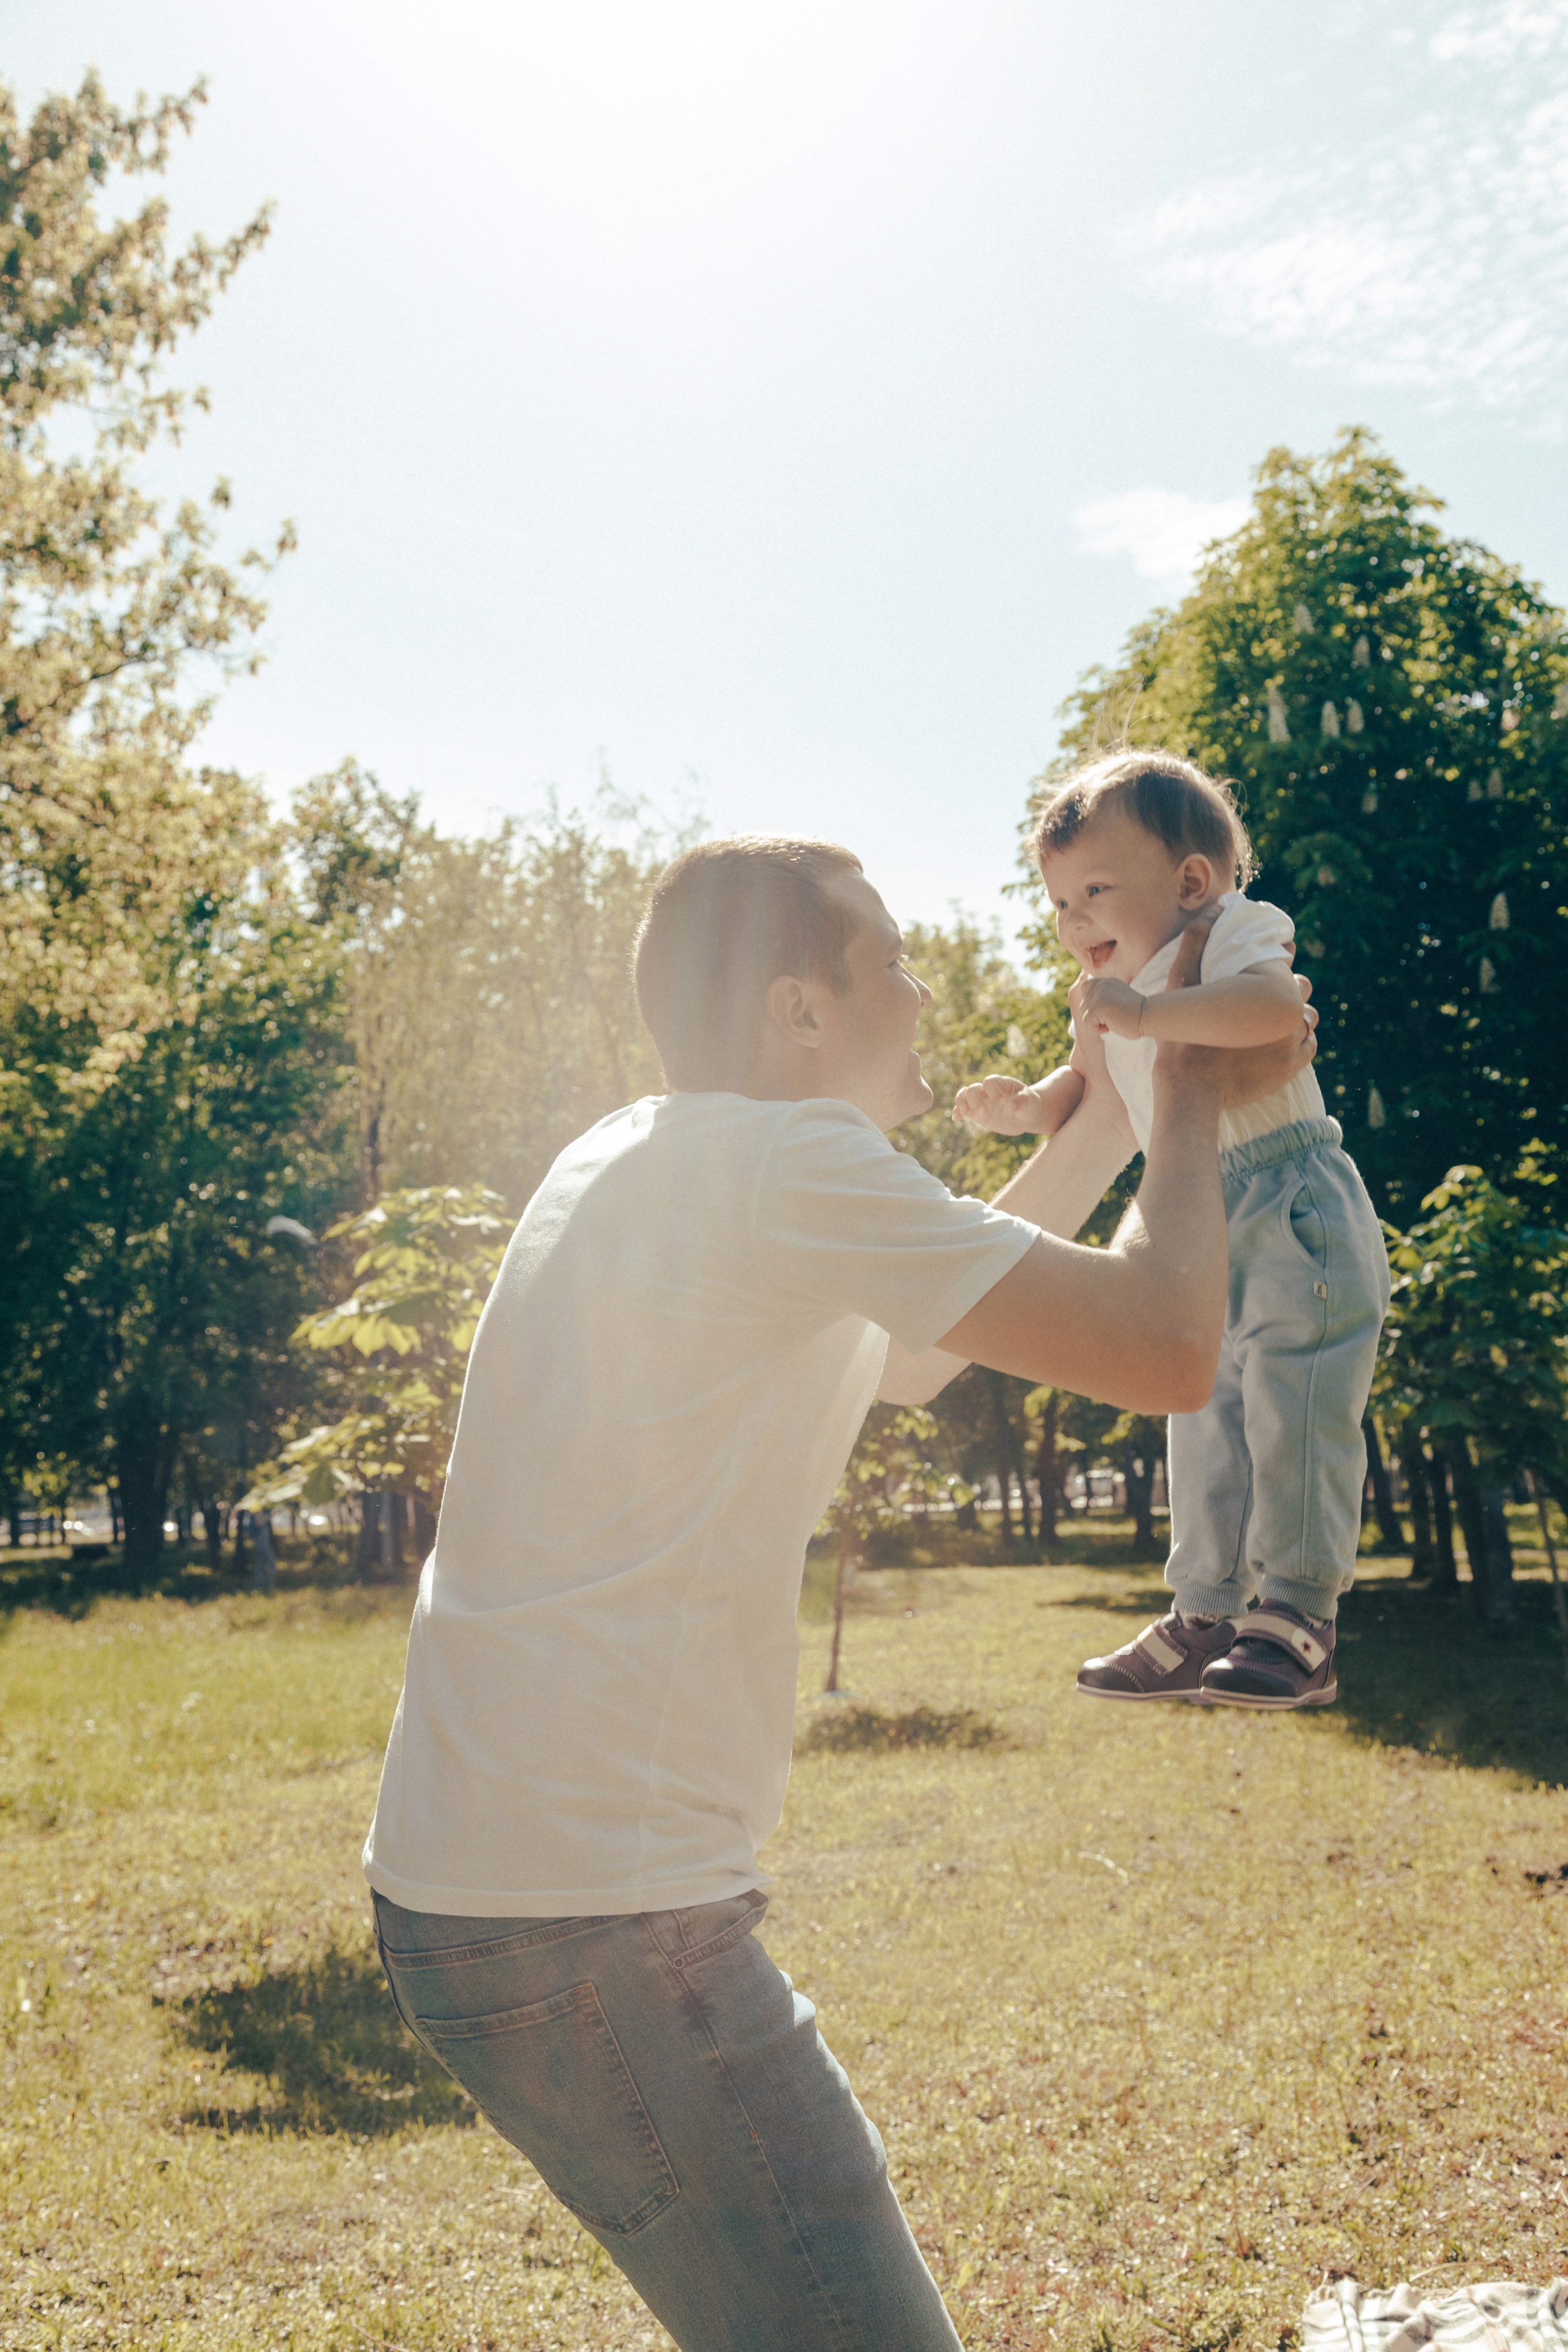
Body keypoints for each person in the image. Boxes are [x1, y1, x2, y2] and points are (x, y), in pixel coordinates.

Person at [363, 835, 1317, 2352]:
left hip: (506, 1900)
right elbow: (1167, 1350)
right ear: (799, 1012)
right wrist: (1198, 1071)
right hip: (594, 1926)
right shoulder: (781, 1167)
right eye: (890, 960)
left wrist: (1110, 1099)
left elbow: (923, 1351)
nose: (926, 988)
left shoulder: (643, 1149)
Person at [956, 752, 1390, 1712]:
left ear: (1191, 882)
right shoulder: (1102, 997)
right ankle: (1204, 1611)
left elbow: (1277, 1011)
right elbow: (1089, 1089)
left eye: (1095, 892)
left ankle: (1301, 1613)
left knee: (1297, 1400)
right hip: (1191, 1219)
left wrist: (1151, 1011)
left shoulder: (1232, 930)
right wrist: (1026, 1107)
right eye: (1060, 902)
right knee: (1197, 1412)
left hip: (1288, 1201)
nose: (1073, 924)